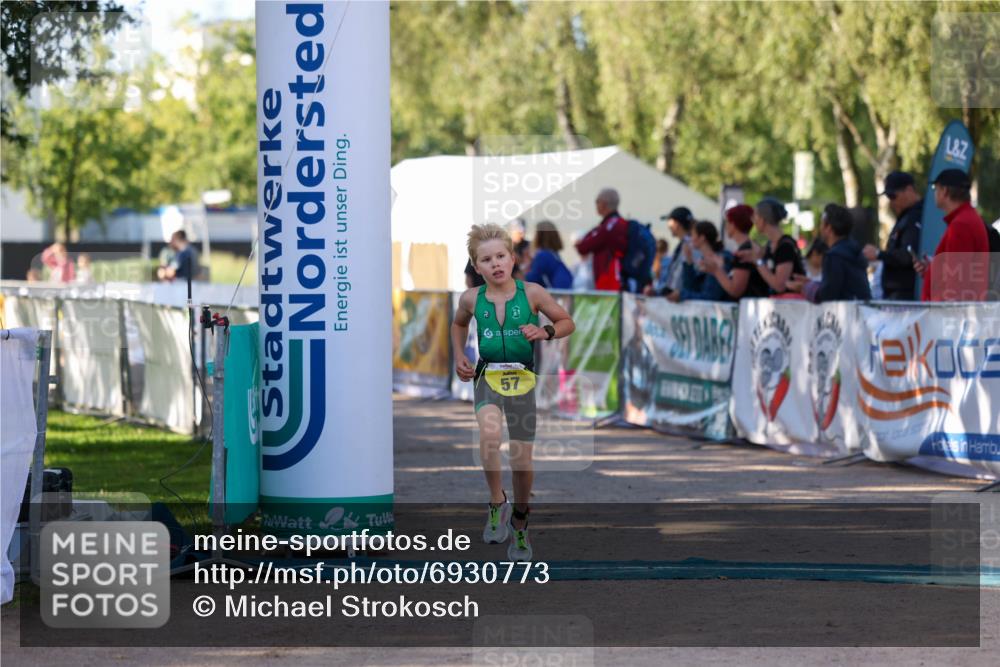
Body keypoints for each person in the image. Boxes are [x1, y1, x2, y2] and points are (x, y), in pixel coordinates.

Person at [452, 223, 575, 561]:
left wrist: (545, 330)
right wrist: (460, 355)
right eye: (487, 259)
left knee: (522, 459)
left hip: (522, 380)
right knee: (489, 435)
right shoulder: (471, 298)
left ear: (513, 258)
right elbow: (459, 323)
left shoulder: (532, 292)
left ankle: (520, 525)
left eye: (501, 256)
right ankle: (497, 502)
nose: (496, 264)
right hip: (486, 377)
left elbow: (567, 322)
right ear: (477, 267)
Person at [915, 169, 990, 302]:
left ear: (944, 191)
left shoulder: (961, 224)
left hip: (951, 315)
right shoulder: (966, 219)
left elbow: (958, 283)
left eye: (935, 188)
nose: (934, 193)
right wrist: (932, 270)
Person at [786, 204, 872, 303]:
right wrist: (811, 284)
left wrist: (804, 288)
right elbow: (841, 287)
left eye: (822, 224)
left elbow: (828, 296)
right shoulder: (852, 249)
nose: (820, 228)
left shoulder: (834, 256)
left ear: (829, 228)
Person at [862, 171, 922, 300]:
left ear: (909, 190)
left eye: (893, 196)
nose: (891, 202)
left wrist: (879, 254)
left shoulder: (916, 216)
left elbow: (908, 255)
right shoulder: (905, 216)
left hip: (906, 295)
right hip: (895, 294)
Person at [736, 198, 805, 296]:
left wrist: (758, 262)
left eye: (755, 216)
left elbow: (779, 285)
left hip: (791, 306)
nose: (753, 220)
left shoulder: (785, 246)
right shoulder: (771, 245)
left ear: (763, 219)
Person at [703, 204, 768, 300]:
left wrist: (716, 270)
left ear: (733, 224)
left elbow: (735, 290)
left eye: (727, 222)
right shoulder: (752, 245)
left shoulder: (745, 250)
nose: (726, 227)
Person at [575, 188, 628, 291]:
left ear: (604, 204)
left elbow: (583, 247)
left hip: (609, 283)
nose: (596, 205)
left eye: (597, 202)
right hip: (614, 283)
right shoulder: (618, 223)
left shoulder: (609, 226)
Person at [667, 221, 732, 302]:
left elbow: (710, 296)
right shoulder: (702, 260)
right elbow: (691, 288)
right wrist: (689, 261)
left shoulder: (719, 259)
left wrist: (682, 295)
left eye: (692, 235)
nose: (690, 239)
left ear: (702, 238)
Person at [650, 206, 700, 296]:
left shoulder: (690, 245)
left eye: (670, 221)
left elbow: (680, 277)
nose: (668, 225)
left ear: (677, 224)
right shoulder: (685, 244)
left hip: (681, 298)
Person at [524, 221, 573, 289]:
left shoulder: (543, 256)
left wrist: (526, 265)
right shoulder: (553, 254)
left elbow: (531, 279)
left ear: (539, 236)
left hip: (556, 294)